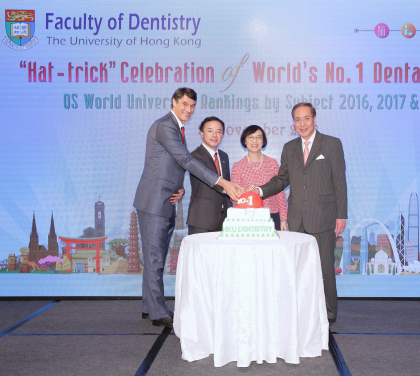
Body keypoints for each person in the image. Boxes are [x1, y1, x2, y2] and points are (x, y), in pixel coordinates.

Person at [133, 88, 242, 327]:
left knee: (156, 256)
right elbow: (184, 160)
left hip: (166, 199)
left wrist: (179, 187)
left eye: (192, 105)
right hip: (153, 201)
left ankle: (148, 305)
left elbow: (168, 164)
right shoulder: (166, 126)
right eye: (184, 104)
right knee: (155, 258)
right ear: (173, 102)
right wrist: (221, 181)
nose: (188, 110)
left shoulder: (177, 128)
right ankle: (158, 312)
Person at [255, 102, 347, 323]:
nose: (302, 123)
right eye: (298, 119)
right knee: (296, 271)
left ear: (315, 120)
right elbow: (282, 179)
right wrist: (259, 190)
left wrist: (341, 215)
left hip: (323, 217)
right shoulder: (290, 148)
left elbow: (339, 182)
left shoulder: (332, 144)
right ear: (293, 123)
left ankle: (327, 316)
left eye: (306, 118)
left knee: (325, 270)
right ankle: (298, 314)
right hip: (296, 219)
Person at [231, 125, 288, 231]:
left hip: (271, 215)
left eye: (258, 137)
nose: (254, 141)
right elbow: (234, 196)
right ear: (245, 141)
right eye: (250, 137)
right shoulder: (238, 166)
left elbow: (280, 193)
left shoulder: (272, 163)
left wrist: (283, 219)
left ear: (263, 141)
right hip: (246, 217)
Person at [186, 116, 230, 234]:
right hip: (202, 220)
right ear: (201, 133)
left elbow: (227, 182)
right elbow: (213, 182)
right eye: (210, 131)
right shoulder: (195, 156)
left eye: (218, 131)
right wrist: (233, 190)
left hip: (224, 220)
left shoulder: (224, 156)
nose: (214, 135)